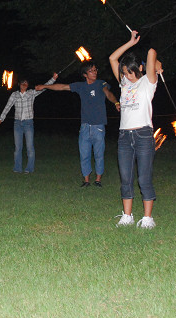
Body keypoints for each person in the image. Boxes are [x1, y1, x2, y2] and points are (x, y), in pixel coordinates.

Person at [36, 61, 119, 187]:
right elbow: (62, 87)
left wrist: (116, 102)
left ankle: (98, 180)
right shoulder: (80, 86)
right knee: (84, 154)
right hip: (85, 127)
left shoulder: (100, 83)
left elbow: (108, 93)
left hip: (98, 127)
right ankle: (86, 180)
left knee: (99, 155)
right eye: (91, 71)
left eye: (95, 70)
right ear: (85, 74)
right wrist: (44, 86)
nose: (94, 72)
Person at [109, 30, 162, 229]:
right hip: (124, 136)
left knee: (144, 178)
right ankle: (127, 215)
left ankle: (148, 218)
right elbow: (112, 58)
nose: (127, 76)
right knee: (125, 178)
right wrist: (130, 42)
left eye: (130, 72)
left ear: (139, 68)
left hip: (143, 135)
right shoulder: (124, 83)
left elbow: (151, 51)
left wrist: (155, 64)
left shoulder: (148, 82)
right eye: (124, 73)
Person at [0, 73, 58, 173]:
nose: (24, 84)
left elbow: (44, 87)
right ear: (19, 84)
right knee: (18, 148)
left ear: (28, 85)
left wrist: (53, 79)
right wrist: (0, 120)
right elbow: (7, 107)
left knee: (30, 147)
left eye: (26, 83)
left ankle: (29, 169)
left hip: (28, 123)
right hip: (17, 124)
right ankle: (17, 168)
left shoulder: (31, 93)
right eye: (22, 83)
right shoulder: (14, 95)